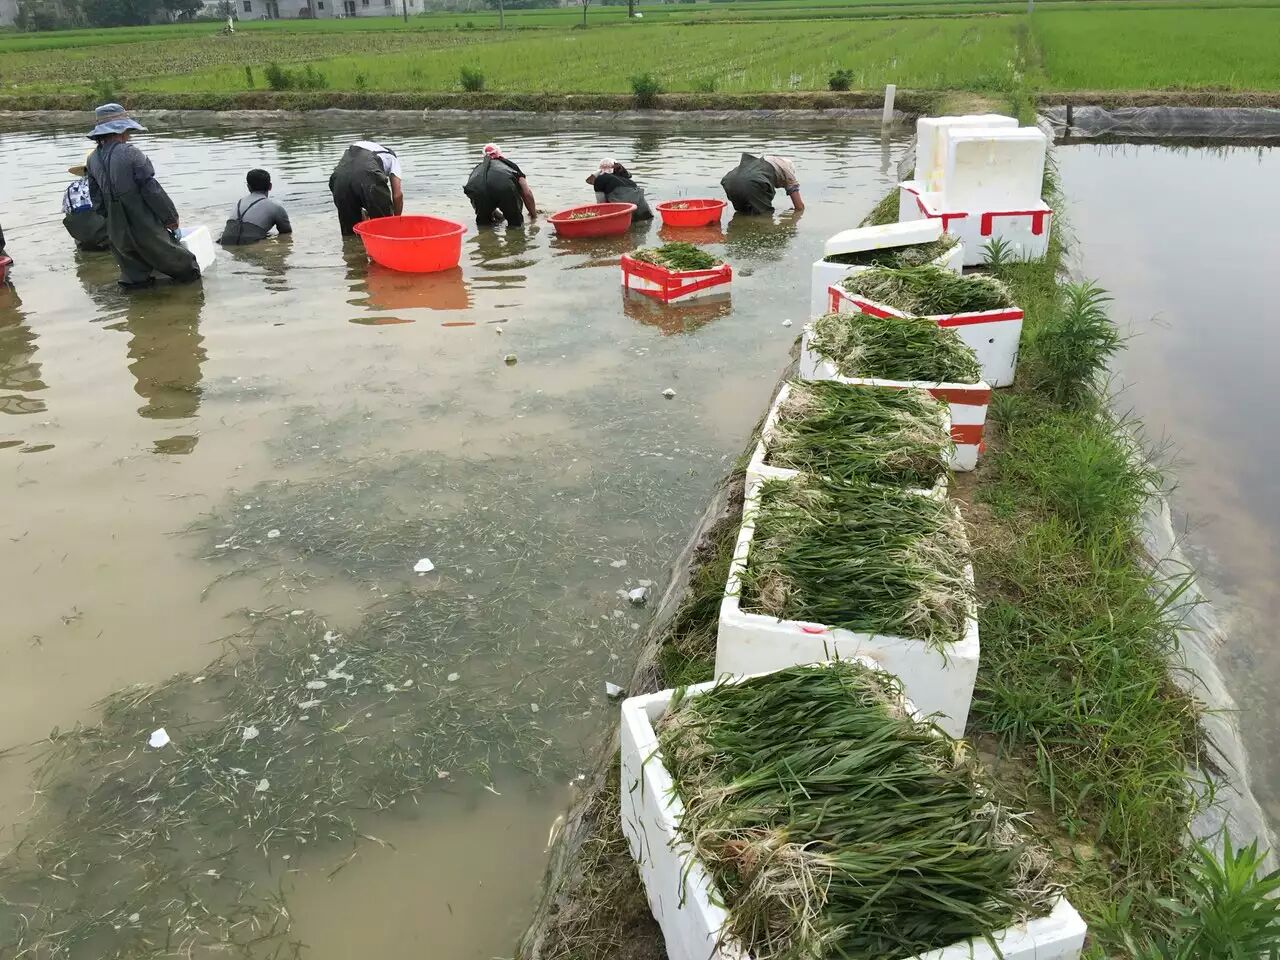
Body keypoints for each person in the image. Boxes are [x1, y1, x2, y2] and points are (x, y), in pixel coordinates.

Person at [84, 103, 200, 288]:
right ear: (122, 130)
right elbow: (152, 191)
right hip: (142, 221)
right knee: (185, 266)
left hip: (116, 228)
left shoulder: (92, 159)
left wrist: (113, 220)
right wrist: (170, 219)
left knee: (133, 276)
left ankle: (139, 311)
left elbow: (96, 198)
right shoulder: (132, 154)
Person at [329, 140, 403, 236]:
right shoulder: (392, 158)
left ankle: (352, 250)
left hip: (339, 179)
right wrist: (396, 221)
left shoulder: (360, 145)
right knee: (385, 229)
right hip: (368, 175)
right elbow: (397, 196)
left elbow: (353, 184)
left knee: (350, 234)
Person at [464, 143, 537, 227]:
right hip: (504, 188)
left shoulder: (477, 170)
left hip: (477, 189)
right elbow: (527, 194)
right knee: (516, 226)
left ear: (484, 156)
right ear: (500, 154)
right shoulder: (510, 165)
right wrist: (534, 216)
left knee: (484, 226)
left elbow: (475, 193)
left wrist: (496, 215)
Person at [219, 168, 292, 246]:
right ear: (270, 186)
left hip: (225, 243)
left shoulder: (238, 203)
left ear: (248, 187)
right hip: (251, 246)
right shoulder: (276, 208)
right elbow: (286, 235)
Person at [720, 152, 804, 215]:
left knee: (742, 214)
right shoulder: (787, 169)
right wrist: (798, 215)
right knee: (765, 217)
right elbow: (799, 206)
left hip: (729, 181)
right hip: (752, 183)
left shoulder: (760, 163)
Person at [62, 153, 110, 251]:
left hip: (81, 238)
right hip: (105, 236)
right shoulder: (106, 185)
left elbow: (67, 213)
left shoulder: (70, 188)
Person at [586, 158, 652, 220]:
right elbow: (628, 175)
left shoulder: (600, 179)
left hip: (626, 215)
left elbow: (601, 205)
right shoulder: (629, 181)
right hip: (645, 212)